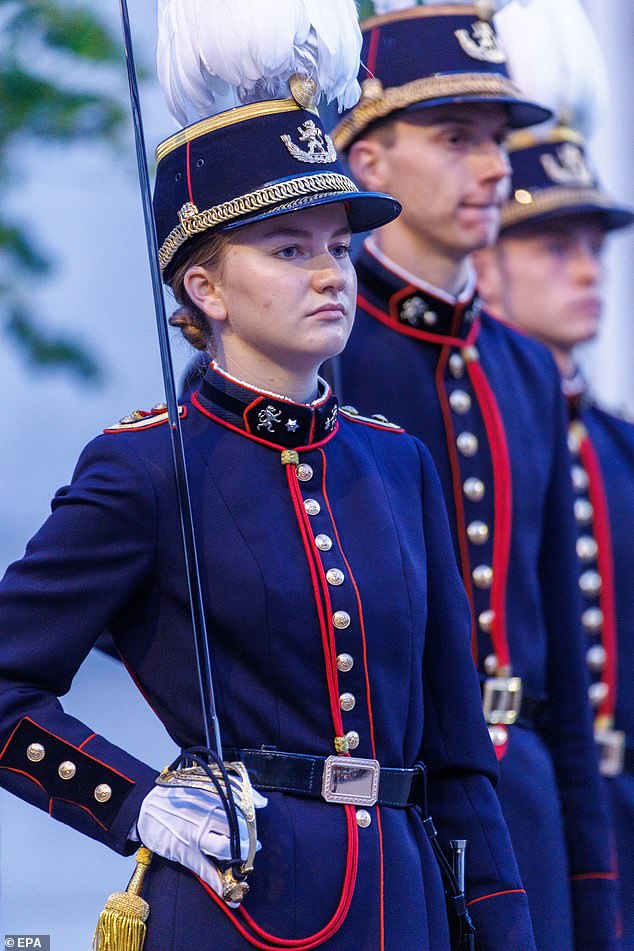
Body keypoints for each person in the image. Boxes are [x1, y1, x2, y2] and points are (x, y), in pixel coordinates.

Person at [0, 2, 537, 949]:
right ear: (204, 286)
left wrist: (504, 929)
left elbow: (459, 761)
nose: (331, 272)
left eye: (338, 245)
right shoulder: (143, 466)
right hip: (235, 904)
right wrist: (134, 804)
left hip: (405, 909)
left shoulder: (396, 460)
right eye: (290, 249)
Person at [330, 3, 620, 948]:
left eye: (497, 141)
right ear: (368, 159)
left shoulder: (522, 366)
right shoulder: (321, 353)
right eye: (457, 139)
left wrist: (595, 896)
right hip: (378, 804)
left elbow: (567, 680)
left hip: (524, 799)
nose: (496, 167)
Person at [474, 123, 634, 950]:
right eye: (551, 246)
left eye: (594, 250)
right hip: (507, 794)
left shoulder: (617, 445)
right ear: (485, 262)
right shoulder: (450, 414)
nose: (587, 271)